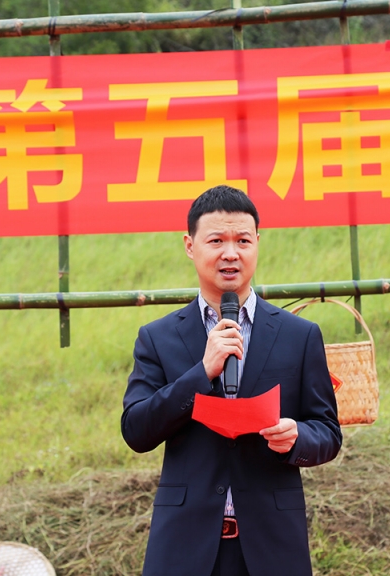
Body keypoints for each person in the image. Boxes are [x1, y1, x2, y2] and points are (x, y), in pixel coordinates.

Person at [121, 185, 342, 576]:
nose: (230, 253)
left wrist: (297, 437)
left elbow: (327, 432)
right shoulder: (158, 337)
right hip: (184, 547)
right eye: (216, 241)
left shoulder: (299, 335)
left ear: (257, 243)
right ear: (190, 246)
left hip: (272, 547)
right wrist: (201, 372)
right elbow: (136, 431)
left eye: (242, 240)